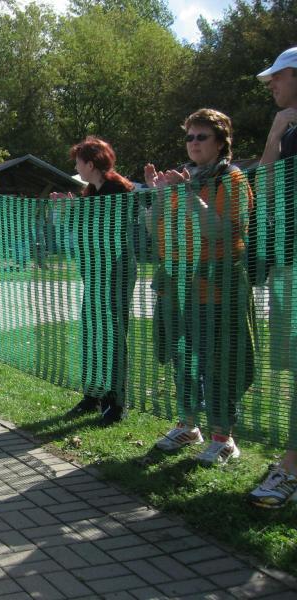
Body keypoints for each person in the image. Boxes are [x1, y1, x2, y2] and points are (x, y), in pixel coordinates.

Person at [144, 108, 255, 466]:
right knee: (184, 363)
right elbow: (153, 230)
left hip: (216, 292)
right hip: (178, 291)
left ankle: (224, 439)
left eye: (201, 136)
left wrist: (188, 193)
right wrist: (158, 195)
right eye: (189, 136)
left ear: (221, 143)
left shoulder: (232, 179)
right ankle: (188, 426)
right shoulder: (183, 178)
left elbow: (219, 231)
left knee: (218, 366)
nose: (193, 143)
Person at [51, 137, 136, 425]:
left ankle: (116, 402)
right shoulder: (89, 192)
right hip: (95, 273)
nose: (75, 167)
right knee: (92, 331)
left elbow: (109, 229)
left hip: (116, 272)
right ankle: (93, 395)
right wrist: (70, 209)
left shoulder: (119, 190)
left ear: (90, 164)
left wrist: (77, 210)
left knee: (112, 335)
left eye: (78, 162)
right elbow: (82, 229)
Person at [248, 47, 297, 508]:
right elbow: (263, 192)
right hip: (288, 266)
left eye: (278, 78)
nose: (271, 86)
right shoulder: (287, 131)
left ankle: (291, 469)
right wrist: (275, 136)